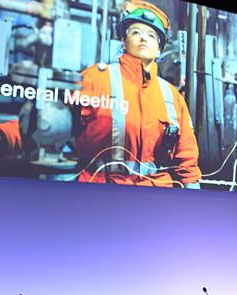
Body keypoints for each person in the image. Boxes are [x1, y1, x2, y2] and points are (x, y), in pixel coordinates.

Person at [74, 0, 201, 188]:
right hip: (102, 185)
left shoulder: (172, 96)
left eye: (151, 35)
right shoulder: (96, 78)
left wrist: (192, 190)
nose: (143, 38)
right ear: (124, 42)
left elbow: (186, 155)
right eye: (136, 32)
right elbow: (54, 125)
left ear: (159, 50)